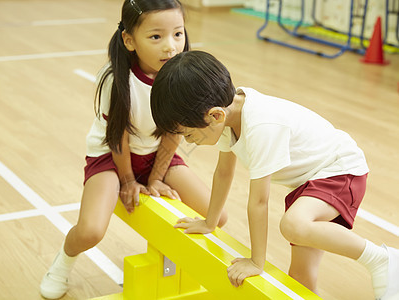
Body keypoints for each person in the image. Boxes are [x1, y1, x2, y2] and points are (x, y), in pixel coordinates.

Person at [150, 50, 399, 299]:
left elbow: (259, 201)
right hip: (309, 182)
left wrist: (256, 261)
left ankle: (382, 260)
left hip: (340, 171)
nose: (188, 141)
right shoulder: (227, 114)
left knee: (293, 225)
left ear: (215, 115)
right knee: (300, 280)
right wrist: (209, 222)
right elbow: (224, 173)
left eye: (188, 134)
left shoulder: (260, 126)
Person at [39, 2, 227, 298]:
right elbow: (117, 139)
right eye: (156, 37)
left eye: (178, 34)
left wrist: (155, 177)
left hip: (156, 153)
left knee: (217, 214)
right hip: (111, 157)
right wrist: (128, 180)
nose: (171, 47)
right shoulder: (116, 80)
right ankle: (61, 265)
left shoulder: (180, 77)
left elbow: (173, 133)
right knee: (90, 231)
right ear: (129, 40)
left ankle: (171, 268)